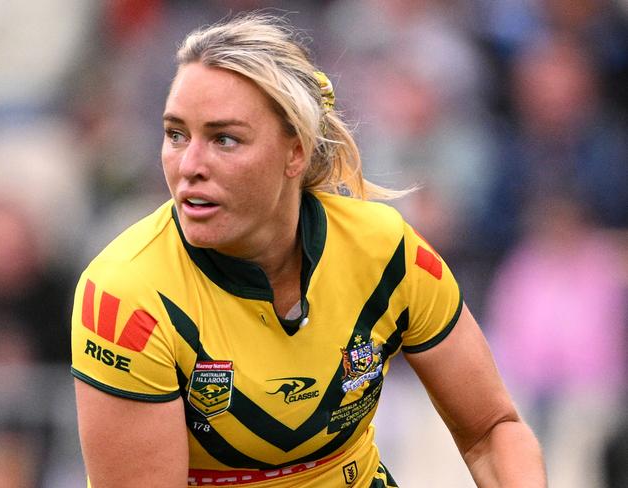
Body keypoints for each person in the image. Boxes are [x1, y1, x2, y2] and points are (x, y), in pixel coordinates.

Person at [71, 13, 545, 487]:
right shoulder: (125, 296)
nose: (189, 165)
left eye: (225, 139)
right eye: (176, 134)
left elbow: (491, 432)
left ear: (295, 151)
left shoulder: (385, 251)